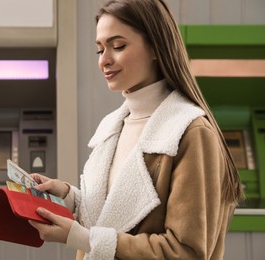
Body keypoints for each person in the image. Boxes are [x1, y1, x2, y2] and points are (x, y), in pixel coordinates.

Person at [28, 0, 244, 259]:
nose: (104, 61)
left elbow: (186, 251)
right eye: (99, 50)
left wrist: (80, 237)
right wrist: (67, 197)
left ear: (155, 46)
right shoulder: (112, 125)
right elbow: (113, 213)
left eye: (118, 46)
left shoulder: (191, 131)